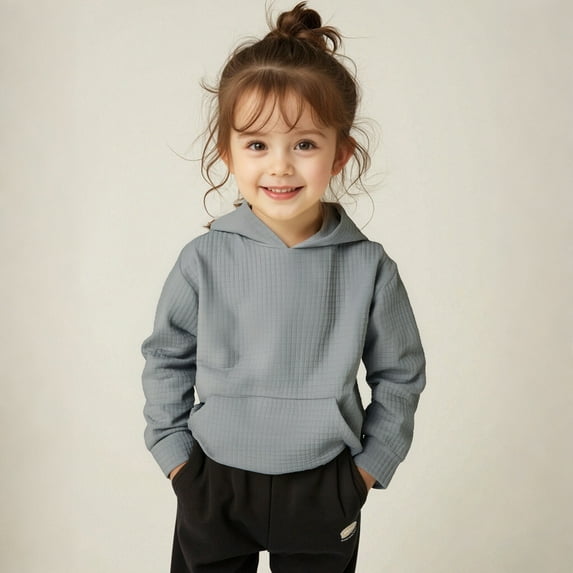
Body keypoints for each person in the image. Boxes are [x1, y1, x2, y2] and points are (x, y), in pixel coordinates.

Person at [141, 3, 426, 572]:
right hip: (213, 480)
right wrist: (177, 460)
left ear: (340, 153)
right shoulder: (203, 259)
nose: (280, 166)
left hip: (326, 485)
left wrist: (367, 470)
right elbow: (166, 358)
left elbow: (400, 375)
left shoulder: (368, 267)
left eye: (304, 144)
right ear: (227, 151)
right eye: (257, 145)